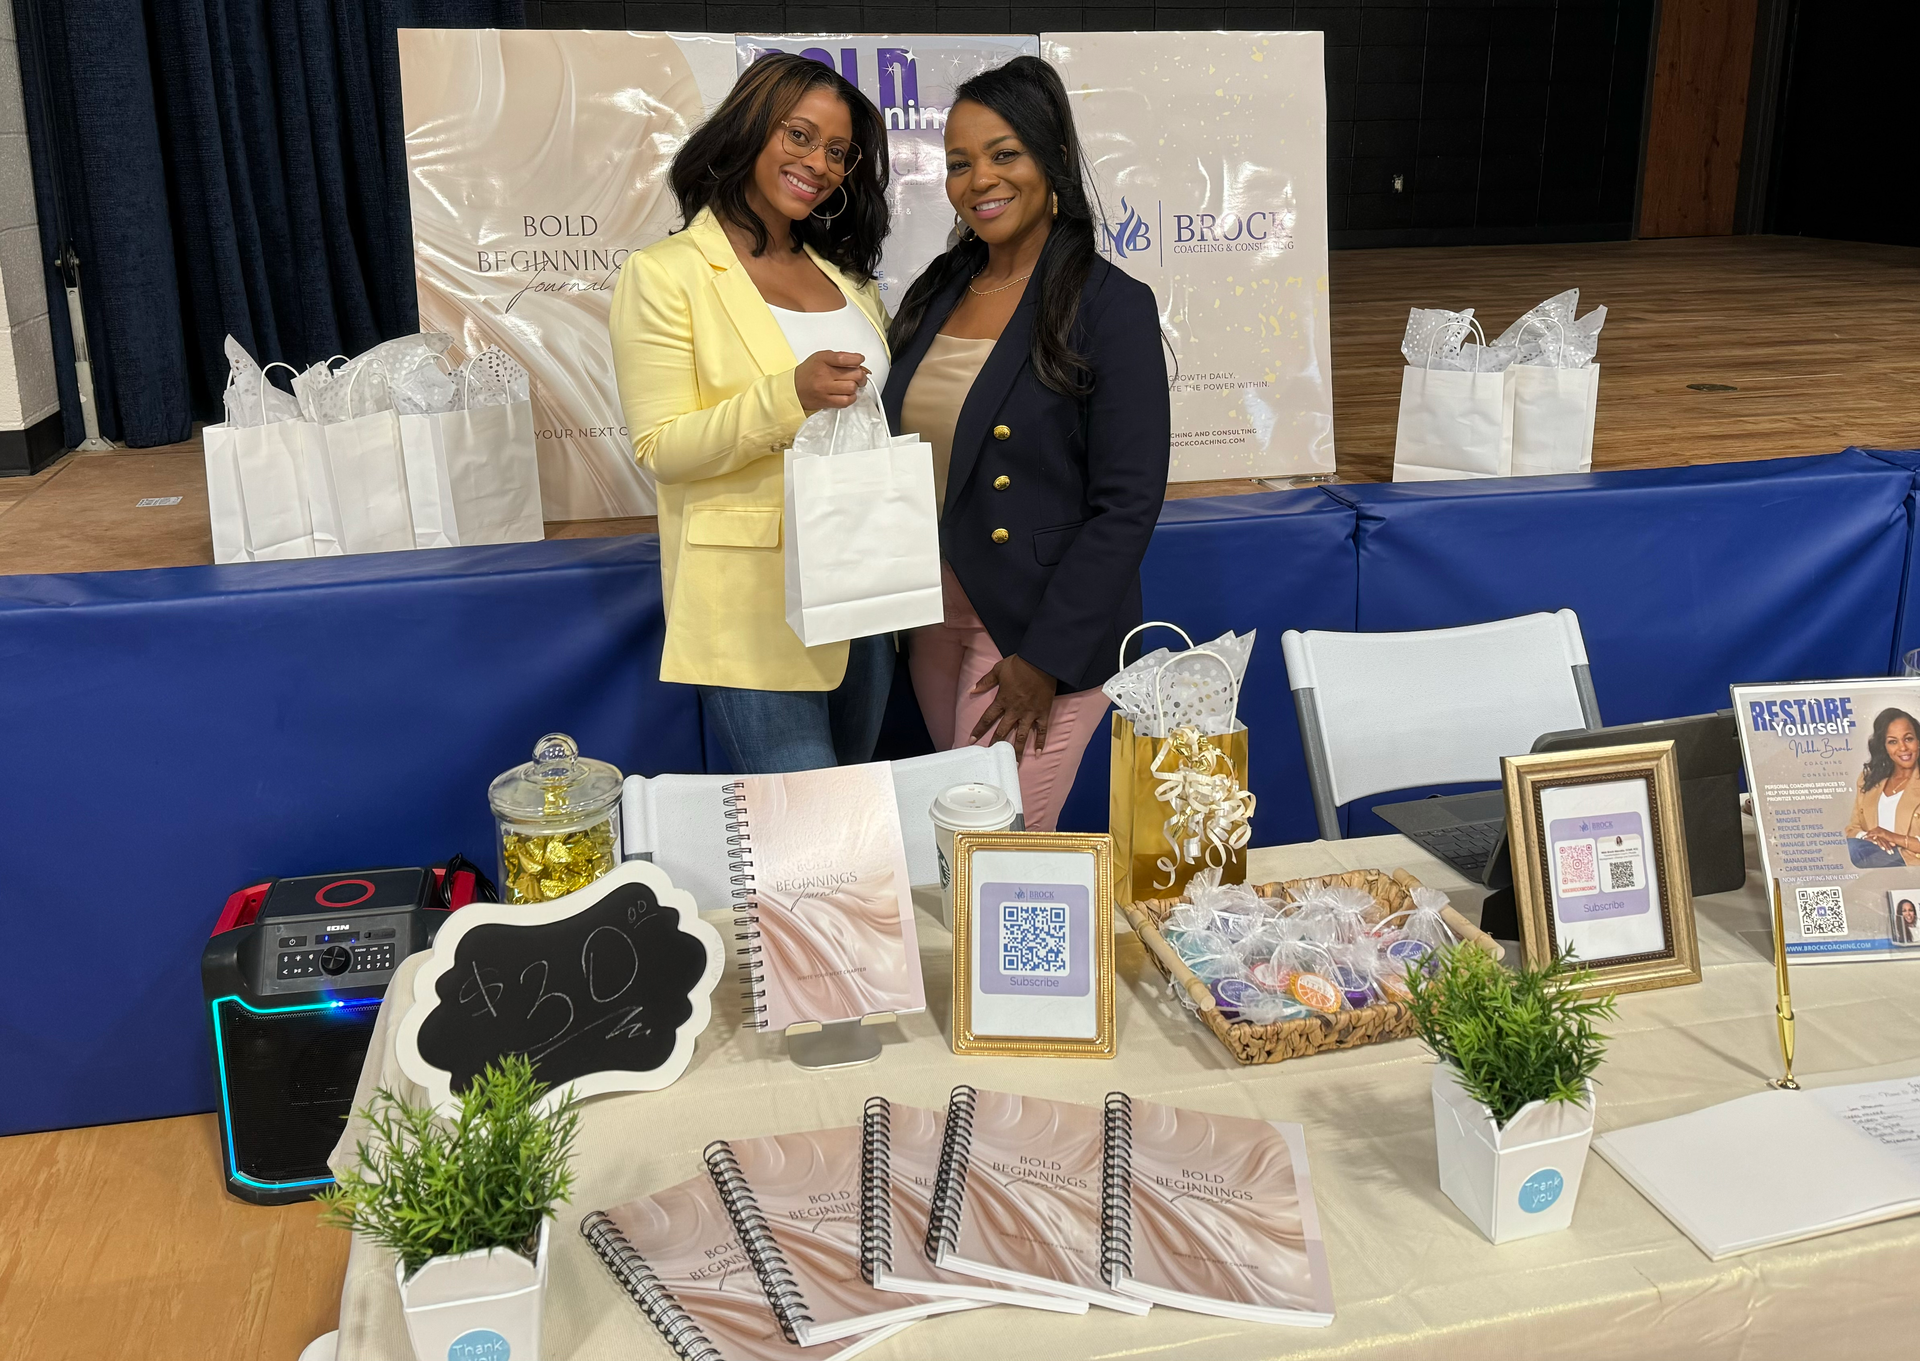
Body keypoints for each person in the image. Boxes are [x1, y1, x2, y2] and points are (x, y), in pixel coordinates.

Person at [882, 55, 1170, 832]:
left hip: (1034, 630)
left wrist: (1045, 660)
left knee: (998, 848)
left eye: (1004, 154)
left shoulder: (1111, 305)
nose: (980, 179)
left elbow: (1127, 504)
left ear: (1053, 158)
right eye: (959, 163)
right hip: (930, 616)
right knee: (954, 842)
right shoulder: (939, 287)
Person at [609, 53, 894, 773]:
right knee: (808, 825)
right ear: (749, 129)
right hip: (751, 609)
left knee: (852, 820)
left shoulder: (849, 280)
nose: (819, 164)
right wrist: (787, 395)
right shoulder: (666, 274)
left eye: (838, 151)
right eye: (799, 135)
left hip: (868, 589)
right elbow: (662, 447)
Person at [1845, 708, 1920, 865]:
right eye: (1893, 741)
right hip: (1873, 858)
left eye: (1908, 739)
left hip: (1910, 864)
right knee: (1854, 847)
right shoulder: (1868, 780)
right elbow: (1853, 829)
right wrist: (1869, 837)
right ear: (1884, 746)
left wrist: (1891, 837)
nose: (1903, 748)